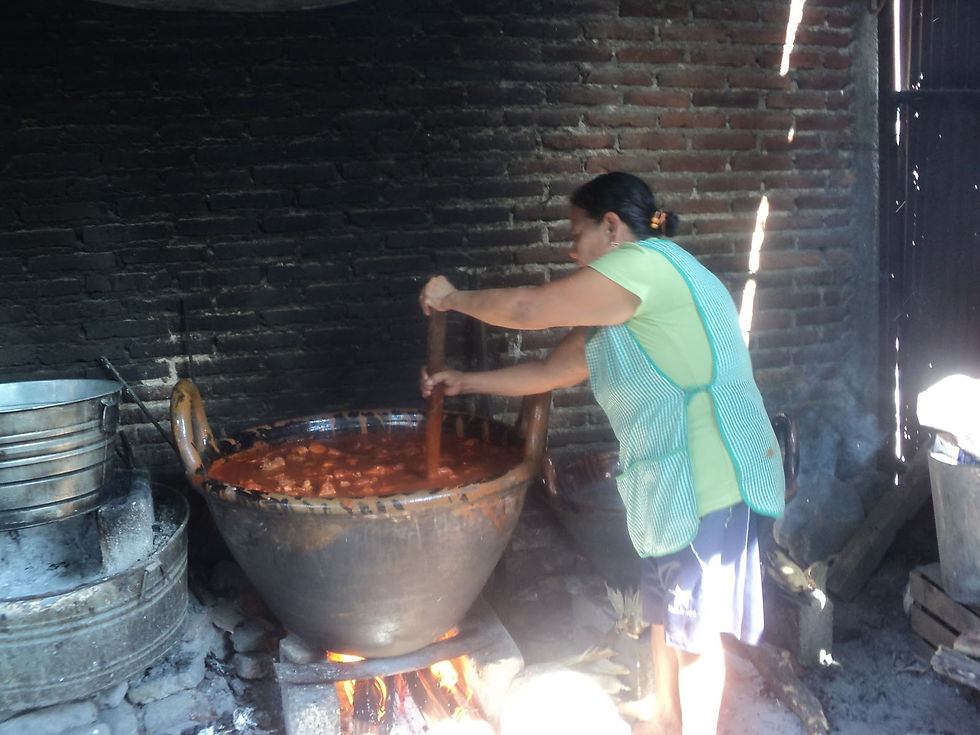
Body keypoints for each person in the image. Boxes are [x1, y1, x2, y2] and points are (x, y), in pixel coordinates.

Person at [419, 171, 785, 735]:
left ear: (612, 228)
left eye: (576, 231)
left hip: (712, 475)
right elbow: (548, 371)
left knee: (695, 637)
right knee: (665, 614)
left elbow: (524, 308)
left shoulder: (645, 267)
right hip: (675, 486)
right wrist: (463, 382)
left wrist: (451, 299)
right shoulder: (623, 308)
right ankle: (664, 718)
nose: (571, 248)